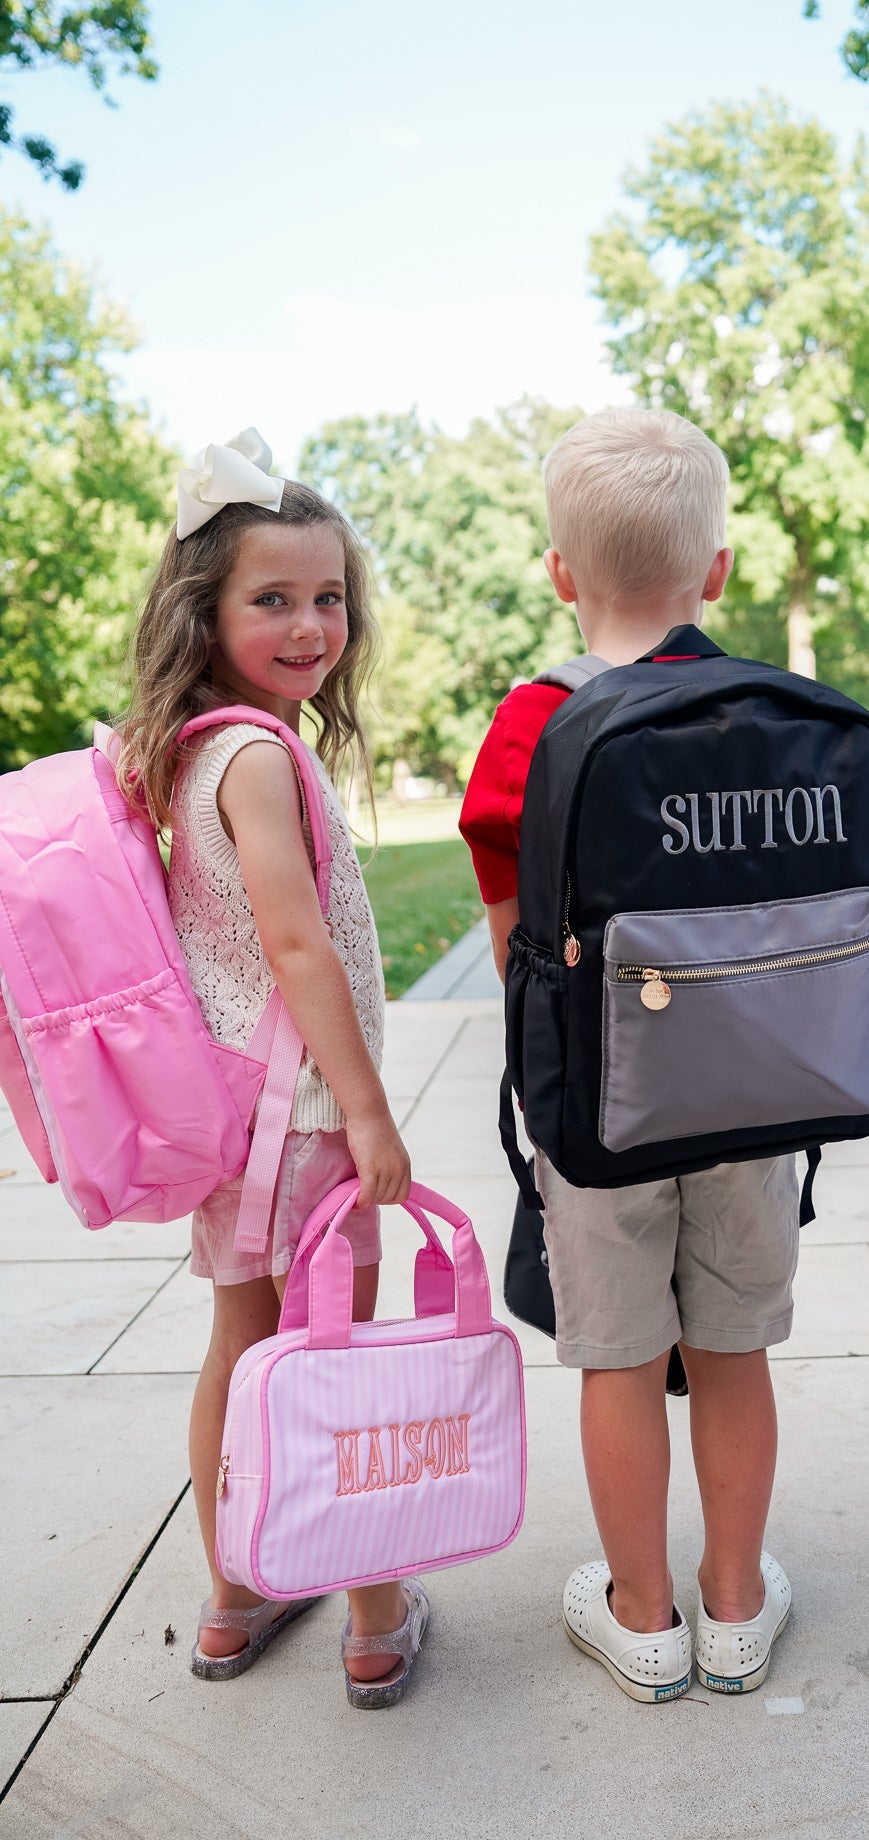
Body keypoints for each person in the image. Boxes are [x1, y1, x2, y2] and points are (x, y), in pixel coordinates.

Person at [460, 407, 795, 1703]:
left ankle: (640, 1616)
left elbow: (510, 939)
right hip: (754, 1101)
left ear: (559, 572)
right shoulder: (766, 716)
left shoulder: (531, 726)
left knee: (614, 1358)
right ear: (715, 572)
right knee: (731, 1348)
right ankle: (737, 1603)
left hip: (597, 1108)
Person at [120, 439, 428, 1708]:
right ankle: (370, 1612)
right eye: (272, 599)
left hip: (230, 1122)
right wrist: (367, 1110)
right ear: (206, 608)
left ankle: (237, 1592)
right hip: (302, 1121)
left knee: (243, 1345)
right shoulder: (255, 755)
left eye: (328, 596)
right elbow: (296, 940)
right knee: (337, 1354)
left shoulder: (187, 746)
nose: (311, 624)